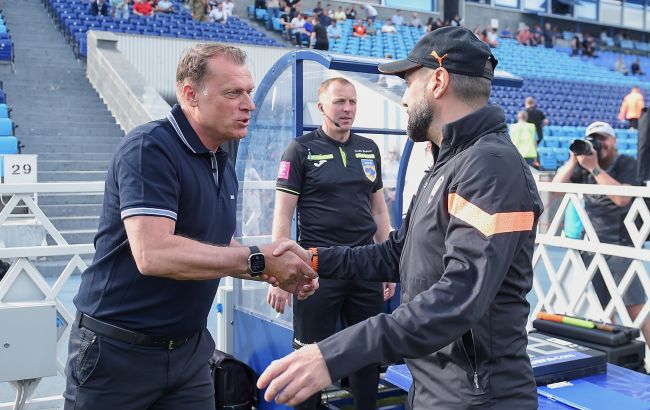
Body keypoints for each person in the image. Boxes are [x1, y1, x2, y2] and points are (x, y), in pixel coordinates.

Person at [258, 26, 543, 409]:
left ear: (438, 81)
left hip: (477, 396)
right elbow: (396, 253)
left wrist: (333, 354)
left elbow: (459, 297)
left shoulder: (491, 166)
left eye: (408, 83)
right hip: (435, 388)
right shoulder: (450, 162)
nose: (404, 98)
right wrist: (311, 259)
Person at [63, 43, 317, 410]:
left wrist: (276, 268)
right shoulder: (149, 148)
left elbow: (218, 244)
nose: (249, 104)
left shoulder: (220, 161)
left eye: (249, 92)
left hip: (190, 353)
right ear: (190, 94)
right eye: (233, 93)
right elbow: (154, 253)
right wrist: (259, 260)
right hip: (118, 354)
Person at [268, 77, 394, 410]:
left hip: (365, 265)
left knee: (368, 351)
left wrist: (389, 263)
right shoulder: (300, 150)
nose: (347, 108)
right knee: (308, 354)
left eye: (352, 102)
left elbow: (379, 210)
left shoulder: (369, 148)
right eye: (339, 102)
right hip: (316, 269)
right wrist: (279, 273)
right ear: (321, 106)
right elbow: (283, 215)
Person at [551, 121, 649, 345]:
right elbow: (554, 191)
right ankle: (612, 355)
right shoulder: (583, 166)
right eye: (593, 139)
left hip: (621, 246)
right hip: (592, 247)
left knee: (636, 308)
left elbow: (622, 199)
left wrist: (594, 168)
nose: (598, 143)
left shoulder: (626, 163)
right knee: (603, 310)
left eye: (603, 138)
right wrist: (573, 161)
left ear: (614, 141)